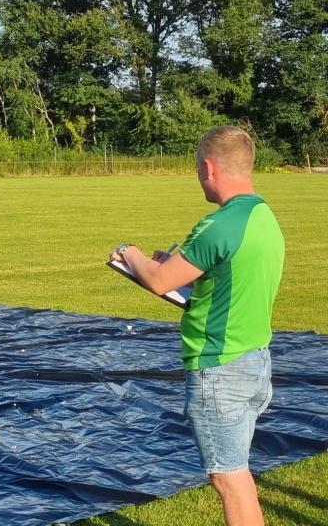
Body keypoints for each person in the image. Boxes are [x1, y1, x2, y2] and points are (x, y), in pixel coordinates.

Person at [110, 126, 284, 526]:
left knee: (229, 480)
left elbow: (159, 281)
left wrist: (129, 253)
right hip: (253, 360)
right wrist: (171, 267)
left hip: (220, 369)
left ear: (208, 167)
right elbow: (226, 280)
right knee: (237, 474)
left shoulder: (218, 225)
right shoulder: (263, 216)